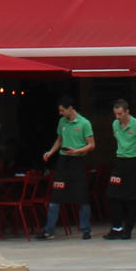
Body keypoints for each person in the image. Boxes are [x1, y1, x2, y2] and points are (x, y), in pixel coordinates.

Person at [39, 97, 95, 240]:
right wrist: (51, 152)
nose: (61, 113)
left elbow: (91, 145)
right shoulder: (62, 122)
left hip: (77, 161)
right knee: (55, 196)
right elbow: (59, 139)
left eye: (62, 110)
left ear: (70, 108)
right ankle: (49, 230)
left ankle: (85, 230)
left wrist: (76, 151)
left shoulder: (84, 123)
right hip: (63, 161)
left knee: (82, 197)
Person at [104, 98, 136, 240]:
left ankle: (128, 229)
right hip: (119, 161)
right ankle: (117, 227)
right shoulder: (115, 124)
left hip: (133, 162)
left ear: (127, 112)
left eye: (120, 114)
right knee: (112, 194)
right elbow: (117, 140)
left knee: (132, 197)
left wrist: (133, 152)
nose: (118, 117)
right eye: (115, 114)